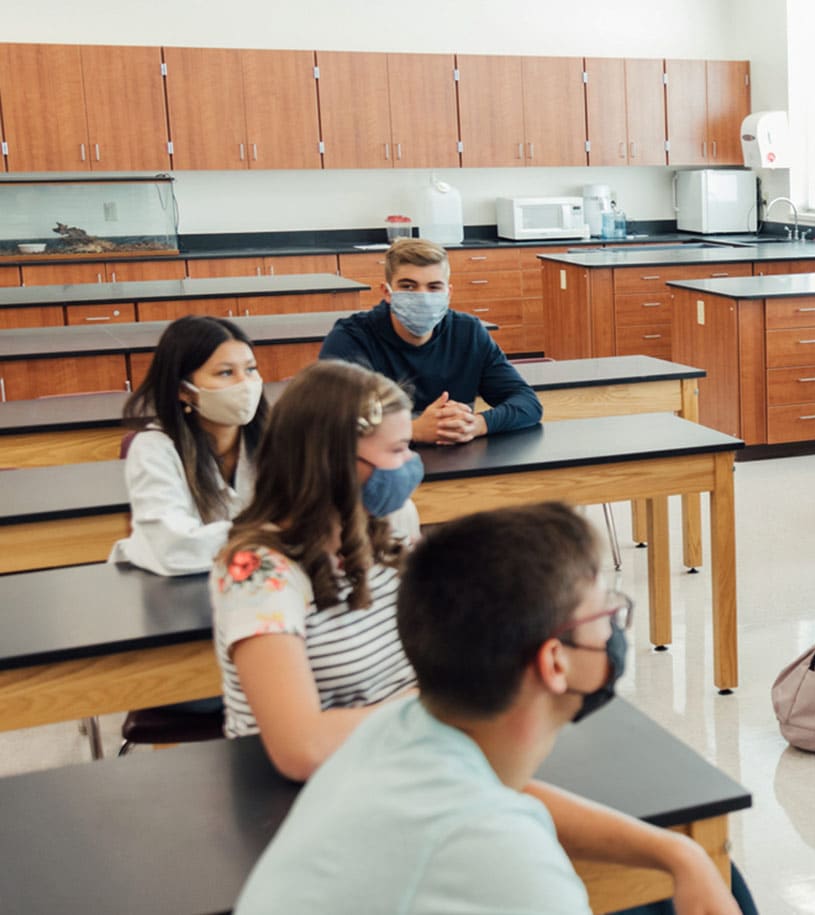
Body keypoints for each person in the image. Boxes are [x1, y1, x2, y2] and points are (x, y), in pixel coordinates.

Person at [234, 503, 749, 915]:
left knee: (707, 879)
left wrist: (678, 852)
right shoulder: (501, 858)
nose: (614, 628)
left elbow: (511, 795)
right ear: (554, 661)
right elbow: (492, 824)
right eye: (605, 613)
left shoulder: (395, 727)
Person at [211, 360, 423, 781]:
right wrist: (438, 705)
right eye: (397, 450)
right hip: (308, 795)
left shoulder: (384, 527)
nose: (411, 464)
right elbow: (301, 749)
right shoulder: (257, 572)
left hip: (395, 762)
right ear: (335, 460)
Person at [319, 238, 543, 446]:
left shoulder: (468, 333)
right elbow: (330, 420)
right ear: (387, 292)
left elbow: (527, 403)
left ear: (448, 292)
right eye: (408, 286)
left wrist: (476, 425)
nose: (422, 296)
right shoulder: (351, 338)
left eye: (434, 287)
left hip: (458, 466)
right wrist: (412, 430)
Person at [110, 315, 267, 575]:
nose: (245, 383)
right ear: (184, 390)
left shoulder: (275, 438)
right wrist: (270, 534)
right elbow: (174, 548)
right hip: (170, 593)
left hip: (252, 585)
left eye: (250, 369)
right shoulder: (154, 449)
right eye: (225, 373)